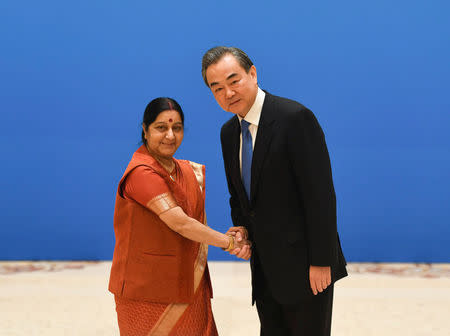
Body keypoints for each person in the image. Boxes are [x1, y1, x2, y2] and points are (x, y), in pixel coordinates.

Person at [201, 47, 348, 336]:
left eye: (234, 81)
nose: (228, 93)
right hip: (266, 269)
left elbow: (320, 196)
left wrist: (322, 261)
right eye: (217, 88)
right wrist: (242, 229)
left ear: (252, 73)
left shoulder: (295, 118)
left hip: (308, 267)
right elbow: (240, 196)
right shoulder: (228, 133)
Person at [108, 97, 250, 336]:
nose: (170, 136)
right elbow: (180, 223)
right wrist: (229, 243)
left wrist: (234, 233)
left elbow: (194, 223)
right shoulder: (141, 173)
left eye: (177, 128)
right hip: (146, 291)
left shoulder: (185, 171)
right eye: (161, 128)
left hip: (188, 284)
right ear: (145, 130)